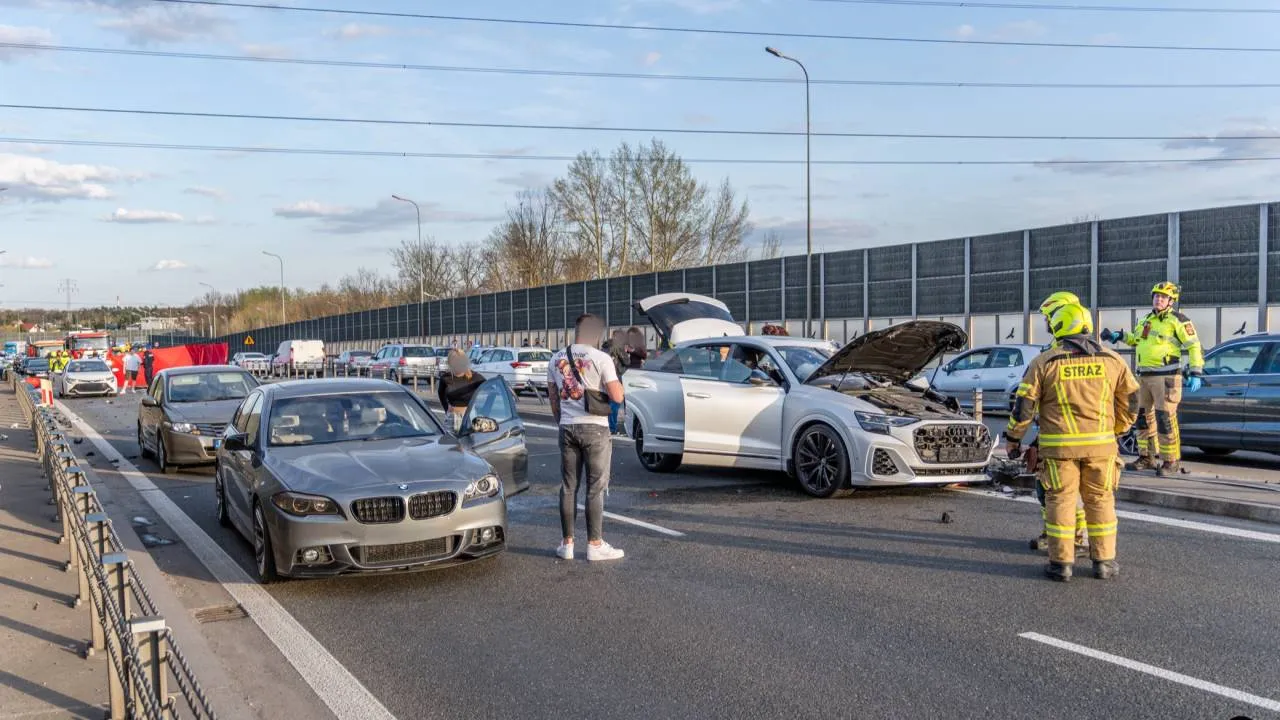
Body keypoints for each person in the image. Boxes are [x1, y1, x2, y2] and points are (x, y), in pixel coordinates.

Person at [1006, 300, 1138, 582]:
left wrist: (1013, 440)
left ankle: (1061, 565)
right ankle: (1103, 562)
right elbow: (1132, 401)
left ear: (1059, 327)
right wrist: (1116, 429)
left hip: (1059, 450)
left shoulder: (1045, 362)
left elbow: (1024, 407)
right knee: (1100, 501)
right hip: (1101, 447)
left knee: (1061, 502)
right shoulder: (1113, 360)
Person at [1100, 281, 1204, 477]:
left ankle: (1170, 461)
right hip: (1144, 376)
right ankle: (1147, 457)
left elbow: (1194, 346)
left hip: (1166, 377)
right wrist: (1119, 336)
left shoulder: (1178, 320)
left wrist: (1196, 371)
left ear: (1171, 301)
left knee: (1165, 419)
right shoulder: (1146, 319)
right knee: (1142, 418)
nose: (1158, 299)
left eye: (1163, 297)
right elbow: (1137, 340)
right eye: (1156, 296)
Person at [548, 313, 625, 562]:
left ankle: (567, 543)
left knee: (569, 486)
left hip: (567, 426)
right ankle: (594, 544)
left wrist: (562, 420)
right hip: (595, 428)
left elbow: (553, 397)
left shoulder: (556, 358)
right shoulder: (601, 358)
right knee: (595, 488)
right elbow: (617, 397)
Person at [436, 348, 486, 433]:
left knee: (471, 443)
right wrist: (447, 409)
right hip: (452, 417)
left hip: (470, 416)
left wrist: (483, 409)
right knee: (450, 443)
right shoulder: (445, 378)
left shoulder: (474, 377)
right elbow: (441, 394)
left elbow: (490, 388)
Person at [606, 329, 629, 435]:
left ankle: (609, 426)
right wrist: (626, 352)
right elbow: (626, 361)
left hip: (606, 377)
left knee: (609, 403)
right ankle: (612, 427)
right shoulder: (618, 347)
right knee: (615, 403)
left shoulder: (605, 346)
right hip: (617, 377)